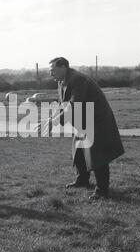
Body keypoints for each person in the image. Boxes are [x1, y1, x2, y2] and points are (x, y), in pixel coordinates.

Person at [37, 57, 124, 200]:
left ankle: (102, 190)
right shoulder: (61, 81)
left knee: (97, 156)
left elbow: (74, 105)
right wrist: (50, 120)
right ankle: (82, 181)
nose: (51, 74)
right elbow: (65, 105)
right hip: (83, 121)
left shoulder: (78, 79)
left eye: (53, 70)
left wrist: (54, 121)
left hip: (97, 120)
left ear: (63, 67)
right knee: (79, 152)